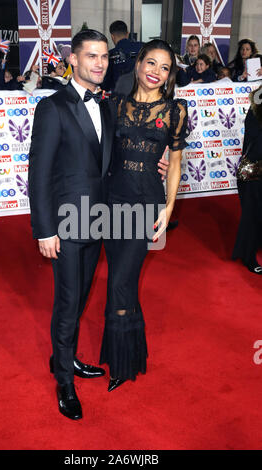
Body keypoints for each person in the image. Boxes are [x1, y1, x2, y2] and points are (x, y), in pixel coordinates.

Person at [28, 29, 114, 421]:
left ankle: (62, 356)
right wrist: (45, 230)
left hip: (96, 221)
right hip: (65, 223)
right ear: (74, 60)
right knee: (67, 303)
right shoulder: (53, 107)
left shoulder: (107, 106)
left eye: (105, 57)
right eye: (92, 56)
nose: (100, 63)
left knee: (79, 297)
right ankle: (64, 379)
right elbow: (39, 174)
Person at [99, 40, 189, 391]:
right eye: (150, 63)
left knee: (120, 281)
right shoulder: (115, 105)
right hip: (111, 203)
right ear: (137, 65)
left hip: (146, 205)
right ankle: (131, 353)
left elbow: (176, 164)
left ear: (169, 76)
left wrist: (169, 207)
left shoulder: (175, 110)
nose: (156, 71)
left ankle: (121, 364)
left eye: (164, 67)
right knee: (122, 284)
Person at [232, 85, 262, 274]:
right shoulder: (256, 109)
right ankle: (248, 255)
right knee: (253, 216)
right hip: (255, 172)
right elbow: (254, 141)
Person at [102, 20, 143, 92]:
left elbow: (106, 84)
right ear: (127, 34)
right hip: (143, 94)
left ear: (112, 36)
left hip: (120, 98)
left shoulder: (110, 55)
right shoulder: (144, 48)